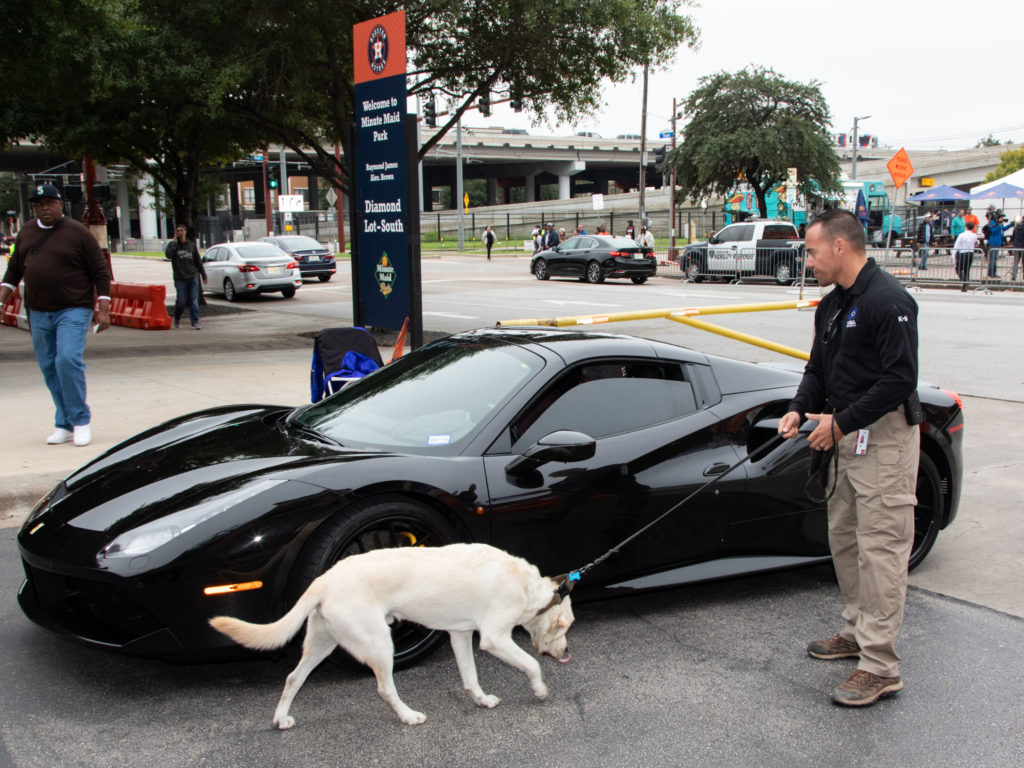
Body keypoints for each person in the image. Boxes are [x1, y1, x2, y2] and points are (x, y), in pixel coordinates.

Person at [778, 209, 920, 708]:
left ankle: (880, 667)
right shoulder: (832, 305)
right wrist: (799, 409)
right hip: (841, 434)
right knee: (846, 542)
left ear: (840, 247)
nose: (808, 260)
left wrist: (840, 423)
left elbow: (899, 380)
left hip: (880, 439)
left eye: (812, 251)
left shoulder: (889, 301)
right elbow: (817, 367)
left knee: (881, 551)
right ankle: (858, 633)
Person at [0, 183, 111, 447]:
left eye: (49, 202)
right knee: (49, 367)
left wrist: (104, 309)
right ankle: (64, 422)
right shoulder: (26, 232)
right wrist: (2, 298)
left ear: (61, 204)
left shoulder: (78, 233)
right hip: (38, 311)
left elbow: (100, 270)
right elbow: (14, 270)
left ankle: (81, 420)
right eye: (39, 204)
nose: (44, 208)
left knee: (67, 360)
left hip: (74, 308)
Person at [165, 224, 207, 329]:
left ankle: (195, 321)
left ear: (185, 232)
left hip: (192, 276)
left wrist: (203, 274)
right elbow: (168, 255)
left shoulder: (191, 245)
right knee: (181, 301)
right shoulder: (173, 245)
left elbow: (197, 261)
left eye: (181, 230)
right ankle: (178, 318)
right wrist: (174, 242)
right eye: (178, 231)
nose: (180, 232)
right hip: (180, 278)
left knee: (193, 300)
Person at [952, 222, 980, 292]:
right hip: (970, 253)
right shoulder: (974, 235)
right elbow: (977, 242)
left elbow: (956, 245)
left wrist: (953, 256)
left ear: (966, 227)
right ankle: (965, 285)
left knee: (958, 269)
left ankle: (965, 280)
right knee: (967, 270)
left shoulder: (961, 235)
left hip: (962, 253)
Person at [983, 212, 1011, 278]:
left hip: (997, 243)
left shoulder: (999, 224)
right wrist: (998, 224)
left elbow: (1002, 229)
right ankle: (991, 273)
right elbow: (992, 230)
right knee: (993, 259)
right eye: (1001, 218)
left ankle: (993, 272)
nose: (1002, 219)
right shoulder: (994, 223)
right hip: (993, 243)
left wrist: (1010, 225)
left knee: (994, 259)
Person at [1011, 217, 1024, 281]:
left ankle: (1013, 275)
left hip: (1016, 247)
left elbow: (1013, 236)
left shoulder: (1016, 227)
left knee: (1015, 262)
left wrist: (1014, 243)